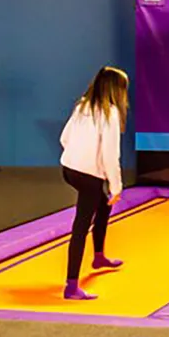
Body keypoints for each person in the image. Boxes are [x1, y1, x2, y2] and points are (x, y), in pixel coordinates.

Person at [59, 66, 128, 300]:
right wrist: (116, 186)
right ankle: (71, 286)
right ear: (116, 90)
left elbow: (64, 138)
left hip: (68, 170)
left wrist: (79, 156)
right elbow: (111, 154)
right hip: (87, 175)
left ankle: (99, 256)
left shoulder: (82, 106)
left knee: (103, 204)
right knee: (80, 226)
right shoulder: (110, 113)